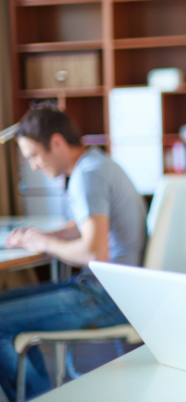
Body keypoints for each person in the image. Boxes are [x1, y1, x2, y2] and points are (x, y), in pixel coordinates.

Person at [0, 106, 147, 400]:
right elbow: (90, 223)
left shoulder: (87, 176)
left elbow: (94, 250)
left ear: (56, 143)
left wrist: (44, 244)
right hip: (117, 291)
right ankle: (42, 393)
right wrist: (47, 236)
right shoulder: (97, 164)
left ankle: (38, 396)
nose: (34, 166)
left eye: (33, 156)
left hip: (105, 299)